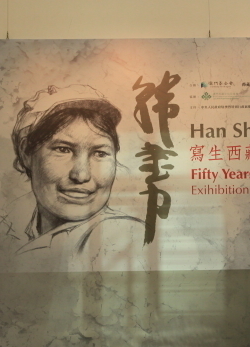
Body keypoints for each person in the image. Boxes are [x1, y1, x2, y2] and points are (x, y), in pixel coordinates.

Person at [10, 84, 150, 272]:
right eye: (63, 149)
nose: (81, 175)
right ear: (26, 153)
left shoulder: (127, 235)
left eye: (100, 153)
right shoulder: (13, 238)